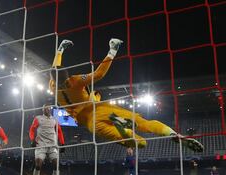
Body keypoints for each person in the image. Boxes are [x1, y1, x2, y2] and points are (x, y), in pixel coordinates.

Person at [49, 38, 204, 152]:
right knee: (144, 123)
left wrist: (60, 50)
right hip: (101, 110)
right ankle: (174, 134)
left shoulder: (52, 84)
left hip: (91, 123)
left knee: (139, 143)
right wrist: (112, 51)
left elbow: (55, 67)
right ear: (67, 77)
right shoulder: (74, 81)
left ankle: (123, 131)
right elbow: (98, 74)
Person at [29, 104, 65, 175]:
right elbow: (32, 129)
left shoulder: (54, 120)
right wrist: (32, 139)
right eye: (45, 108)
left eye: (49, 108)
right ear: (42, 109)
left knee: (56, 165)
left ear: (51, 109)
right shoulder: (38, 118)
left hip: (52, 145)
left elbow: (60, 132)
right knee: (38, 165)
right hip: (41, 145)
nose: (47, 109)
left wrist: (62, 143)